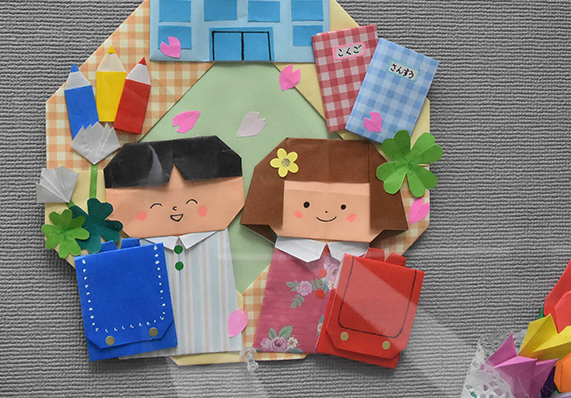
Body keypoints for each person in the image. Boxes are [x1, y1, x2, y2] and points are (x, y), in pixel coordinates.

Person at [241, 138, 409, 354]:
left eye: (343, 206)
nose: (327, 212)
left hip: (349, 259)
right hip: (295, 253)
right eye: (306, 204)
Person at [104, 136, 245, 357]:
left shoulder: (215, 239)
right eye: (156, 203)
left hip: (217, 339)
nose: (176, 209)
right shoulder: (141, 245)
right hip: (151, 341)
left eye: (192, 201)